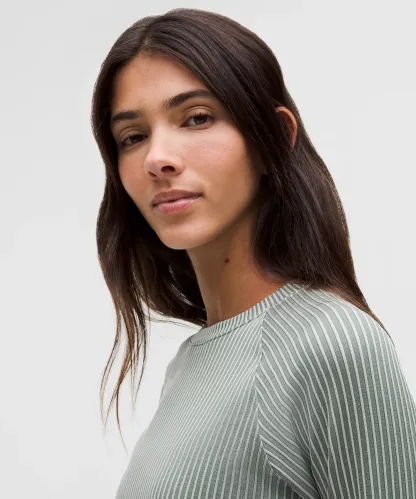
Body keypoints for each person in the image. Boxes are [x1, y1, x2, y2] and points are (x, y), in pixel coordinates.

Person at [90, 8, 416, 498]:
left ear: (274, 140)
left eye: (197, 118)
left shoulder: (333, 346)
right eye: (132, 137)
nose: (157, 158)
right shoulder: (190, 364)